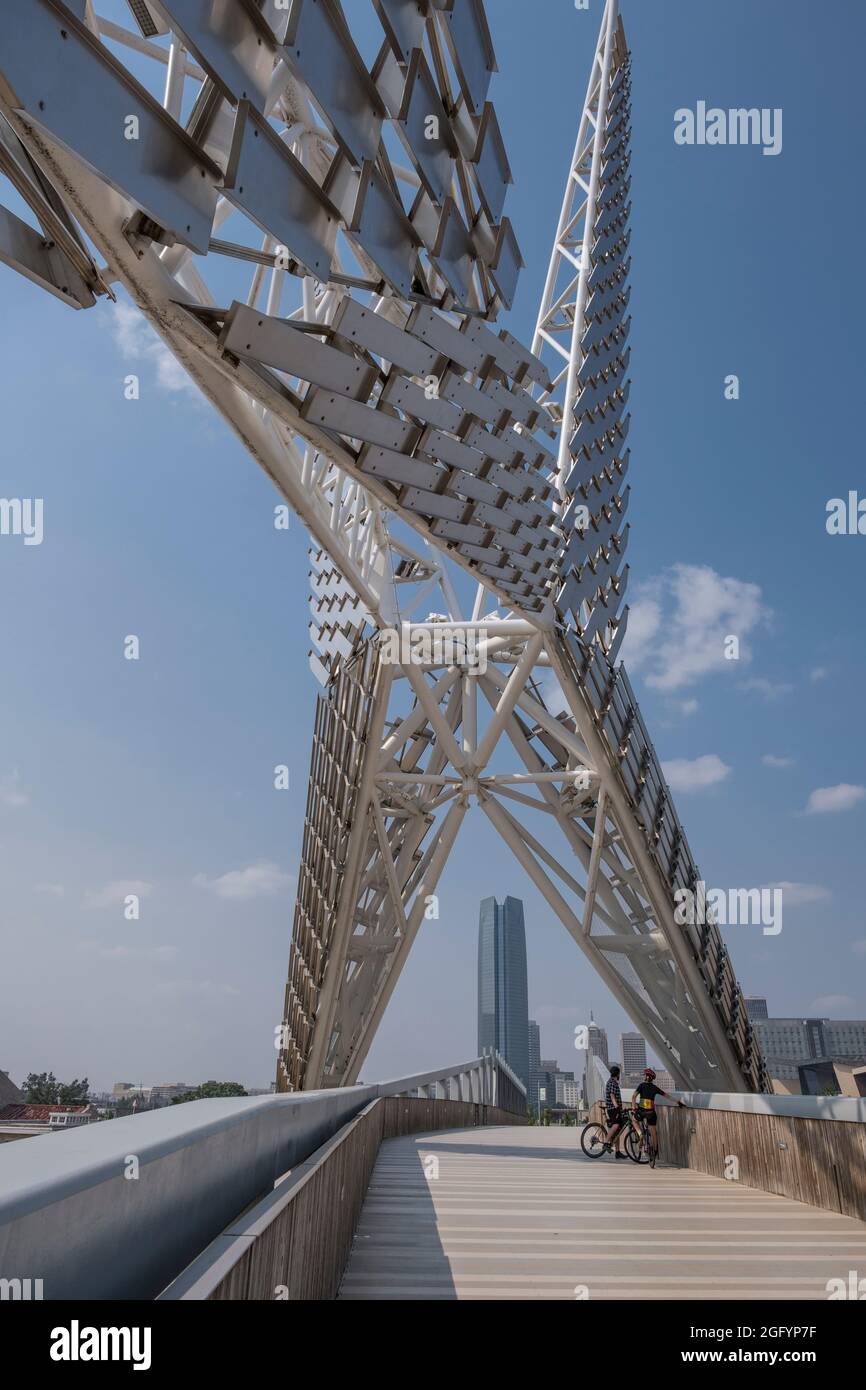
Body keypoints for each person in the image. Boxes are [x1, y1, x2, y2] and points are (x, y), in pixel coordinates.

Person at [632, 1067, 687, 1163]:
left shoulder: (641, 1085)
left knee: (634, 1120)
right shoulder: (655, 1088)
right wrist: (678, 1102)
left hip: (641, 1112)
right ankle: (655, 1151)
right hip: (651, 1113)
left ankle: (640, 1134)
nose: (644, 1076)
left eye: (645, 1075)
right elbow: (667, 1096)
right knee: (654, 1132)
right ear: (652, 1079)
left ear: (646, 1077)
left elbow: (633, 1096)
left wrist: (634, 1108)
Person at [601, 1064, 628, 1159]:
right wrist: (617, 1106)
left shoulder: (613, 1082)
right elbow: (612, 1096)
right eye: (619, 1074)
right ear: (617, 1074)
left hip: (615, 1108)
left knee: (618, 1130)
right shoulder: (612, 1082)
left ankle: (617, 1152)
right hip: (612, 1109)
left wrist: (621, 1107)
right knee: (616, 1125)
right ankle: (605, 1143)